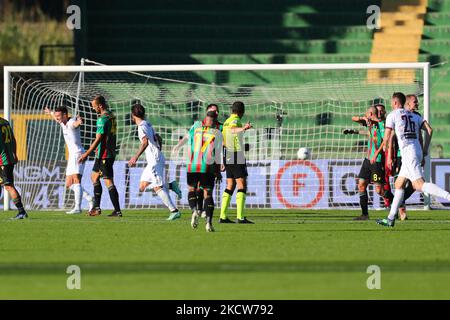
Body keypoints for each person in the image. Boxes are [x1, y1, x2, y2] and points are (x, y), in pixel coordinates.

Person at [377, 92, 450, 227]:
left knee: (419, 185)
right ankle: (390, 218)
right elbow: (429, 130)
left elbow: (387, 137)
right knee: (399, 184)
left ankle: (448, 197)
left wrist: (385, 152)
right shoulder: (413, 115)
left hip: (408, 154)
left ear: (394, 103)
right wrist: (425, 149)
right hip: (414, 151)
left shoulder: (392, 115)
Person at [128, 103, 182, 220]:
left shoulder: (141, 127)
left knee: (157, 187)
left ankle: (174, 211)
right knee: (142, 186)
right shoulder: (147, 124)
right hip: (155, 158)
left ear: (133, 115)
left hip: (154, 160)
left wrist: (135, 157)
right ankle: (171, 185)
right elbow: (158, 137)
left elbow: (145, 142)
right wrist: (159, 149)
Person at [173, 103, 222, 218]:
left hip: (210, 161)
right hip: (198, 161)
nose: (215, 113)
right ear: (207, 112)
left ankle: (202, 210)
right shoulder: (197, 125)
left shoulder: (220, 127)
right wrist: (178, 146)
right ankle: (199, 210)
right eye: (212, 111)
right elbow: (187, 136)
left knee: (205, 188)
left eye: (216, 111)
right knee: (199, 187)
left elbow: (222, 146)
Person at [78, 95, 122, 217]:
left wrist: (86, 154)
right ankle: (96, 208)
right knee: (94, 177)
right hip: (106, 153)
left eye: (94, 106)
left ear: (100, 106)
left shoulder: (102, 119)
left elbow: (99, 139)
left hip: (104, 154)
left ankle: (117, 211)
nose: (93, 109)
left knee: (108, 181)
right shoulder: (111, 116)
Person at [44, 106, 93, 214]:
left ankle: (77, 208)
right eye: (56, 116)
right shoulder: (62, 122)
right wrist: (50, 112)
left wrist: (79, 121)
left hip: (78, 154)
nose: (57, 118)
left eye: (59, 116)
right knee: (69, 184)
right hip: (72, 155)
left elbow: (76, 124)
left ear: (65, 115)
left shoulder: (71, 122)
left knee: (76, 180)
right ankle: (90, 199)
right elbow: (54, 115)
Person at [186, 111, 223, 232]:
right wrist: (218, 172)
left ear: (205, 120)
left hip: (192, 165)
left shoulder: (195, 130)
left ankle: (194, 211)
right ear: (215, 122)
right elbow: (217, 155)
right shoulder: (217, 133)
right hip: (207, 167)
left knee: (191, 189)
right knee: (208, 193)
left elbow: (189, 145)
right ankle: (208, 223)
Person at [350, 105, 387, 220]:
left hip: (377, 161)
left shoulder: (382, 124)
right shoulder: (369, 123)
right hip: (367, 160)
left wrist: (376, 154)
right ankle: (365, 214)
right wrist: (364, 118)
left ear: (371, 114)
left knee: (379, 190)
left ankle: (398, 205)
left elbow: (385, 141)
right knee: (361, 185)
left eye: (366, 114)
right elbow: (353, 118)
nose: (365, 115)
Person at [220, 101, 253, 224]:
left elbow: (224, 140)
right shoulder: (235, 120)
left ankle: (223, 216)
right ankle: (240, 217)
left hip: (227, 153)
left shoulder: (226, 121)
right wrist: (244, 127)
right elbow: (233, 130)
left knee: (230, 185)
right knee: (242, 184)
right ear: (241, 112)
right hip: (235, 155)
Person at [0, 117, 28, 219]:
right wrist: (14, 153)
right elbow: (13, 139)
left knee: (8, 186)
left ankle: (21, 212)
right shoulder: (5, 122)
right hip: (9, 157)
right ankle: (21, 212)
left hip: (3, 160)